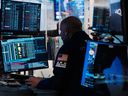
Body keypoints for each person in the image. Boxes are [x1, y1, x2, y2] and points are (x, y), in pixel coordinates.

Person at [26, 16, 91, 96]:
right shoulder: (92, 44)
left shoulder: (66, 49)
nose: (60, 34)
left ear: (66, 33)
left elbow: (59, 81)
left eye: (61, 31)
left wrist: (40, 83)